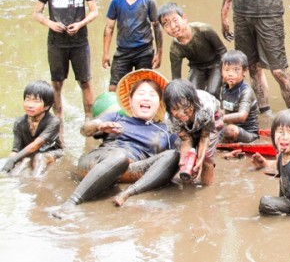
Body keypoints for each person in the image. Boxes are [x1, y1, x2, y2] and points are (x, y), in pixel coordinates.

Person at [52, 70, 178, 218]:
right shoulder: (116, 116)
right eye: (141, 93)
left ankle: (130, 192)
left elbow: (176, 158)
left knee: (174, 155)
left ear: (160, 102)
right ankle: (71, 203)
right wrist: (99, 126)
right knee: (119, 157)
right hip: (99, 162)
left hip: (133, 170)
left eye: (152, 95)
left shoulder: (165, 129)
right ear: (130, 100)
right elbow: (84, 130)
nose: (146, 98)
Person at [33, 0, 99, 121]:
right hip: (56, 43)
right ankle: (58, 119)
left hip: (80, 42)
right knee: (57, 82)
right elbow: (36, 13)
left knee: (85, 81)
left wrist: (80, 24)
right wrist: (50, 23)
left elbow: (94, 11)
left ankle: (88, 118)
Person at [102, 0, 162, 92]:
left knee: (145, 86)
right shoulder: (116, 1)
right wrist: (105, 53)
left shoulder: (149, 1)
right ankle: (117, 112)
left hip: (144, 50)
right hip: (123, 51)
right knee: (114, 87)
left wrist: (159, 53)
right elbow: (109, 28)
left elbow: (157, 27)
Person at [158, 2, 226, 98]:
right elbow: (176, 79)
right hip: (196, 67)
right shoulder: (175, 48)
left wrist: (226, 72)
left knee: (212, 92)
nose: (173, 26)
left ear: (184, 18)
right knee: (192, 94)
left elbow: (222, 52)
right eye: (166, 24)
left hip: (216, 63)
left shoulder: (204, 30)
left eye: (175, 20)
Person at [163, 79, 222, 186]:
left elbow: (205, 136)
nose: (181, 113)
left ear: (193, 102)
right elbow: (186, 139)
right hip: (189, 125)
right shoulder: (170, 117)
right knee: (183, 159)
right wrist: (183, 161)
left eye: (185, 107)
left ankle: (207, 189)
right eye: (175, 109)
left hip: (210, 120)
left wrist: (200, 160)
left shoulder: (205, 108)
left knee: (207, 158)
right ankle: (187, 185)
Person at [1, 81, 63, 177]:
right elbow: (16, 150)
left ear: (46, 106)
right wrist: (10, 162)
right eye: (27, 100)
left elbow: (36, 145)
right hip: (29, 153)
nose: (30, 105)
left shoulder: (53, 122)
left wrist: (14, 160)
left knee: (39, 158)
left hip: (52, 152)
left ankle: (36, 184)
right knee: (18, 168)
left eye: (36, 101)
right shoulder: (19, 123)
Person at [219, 50, 260, 143]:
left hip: (248, 133)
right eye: (226, 70)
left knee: (230, 130)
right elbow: (222, 111)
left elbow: (242, 116)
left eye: (236, 70)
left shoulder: (246, 91)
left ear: (244, 72)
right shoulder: (223, 89)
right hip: (230, 126)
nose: (230, 74)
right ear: (221, 71)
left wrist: (219, 119)